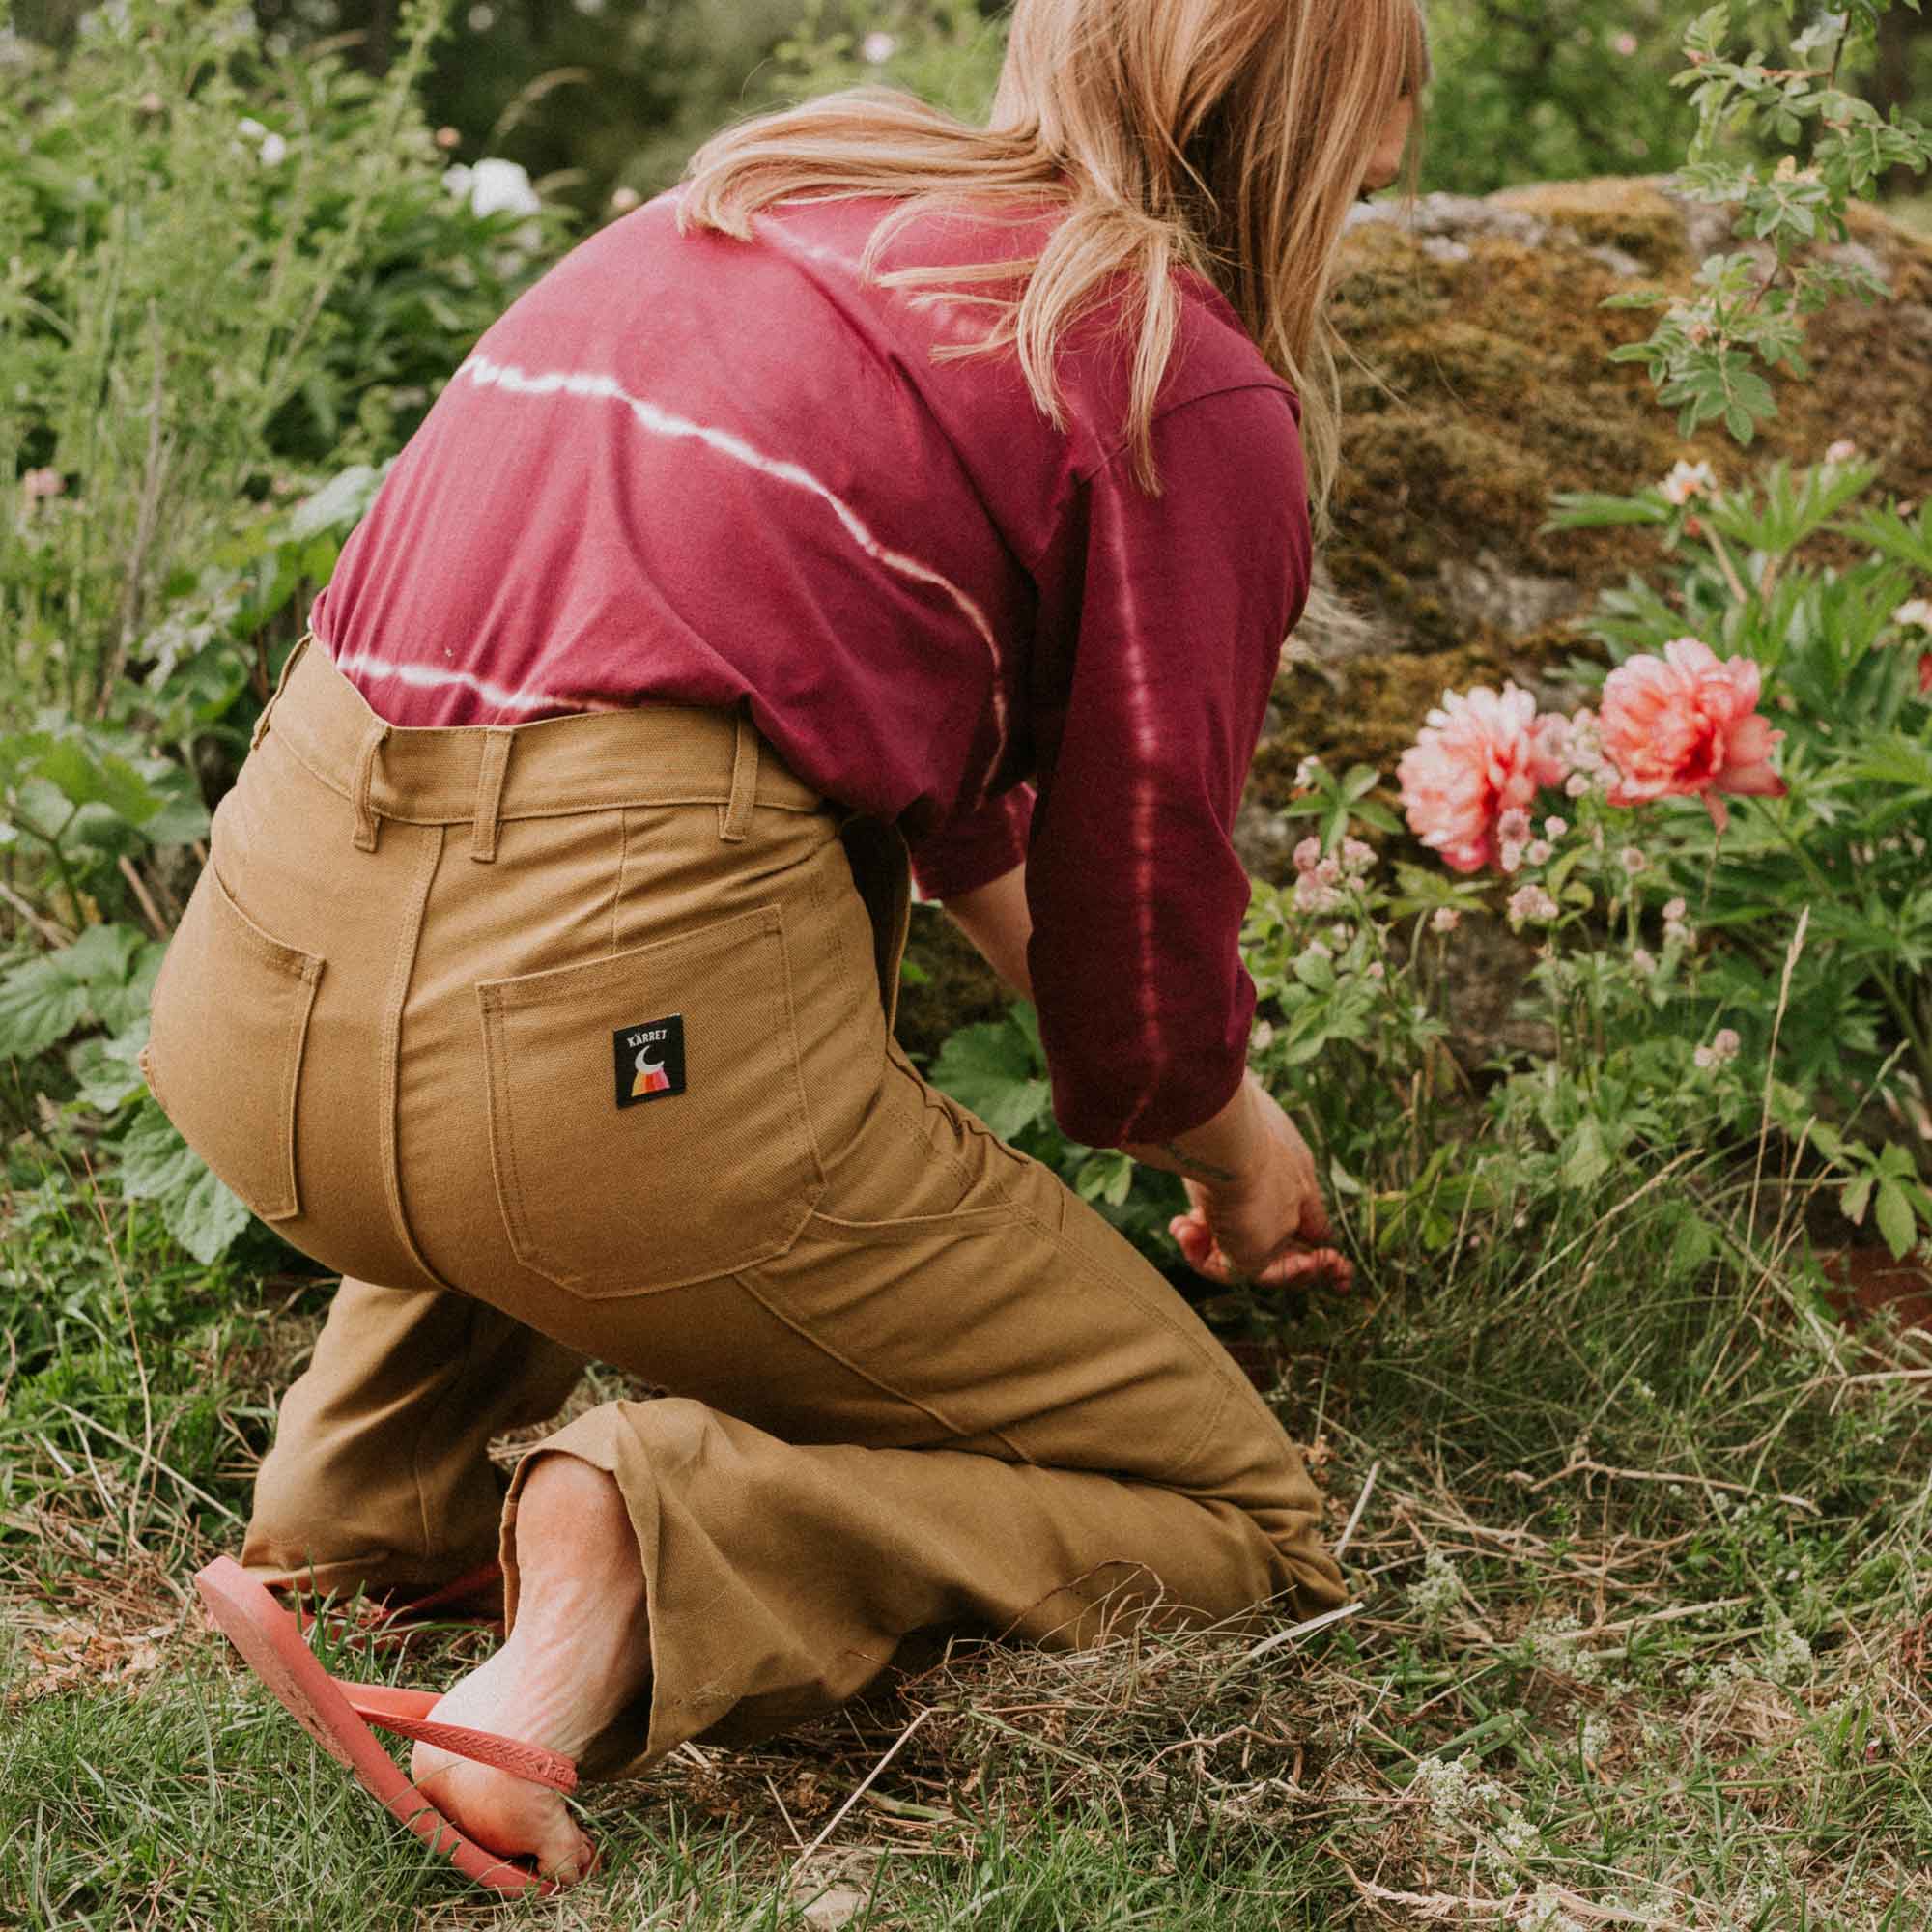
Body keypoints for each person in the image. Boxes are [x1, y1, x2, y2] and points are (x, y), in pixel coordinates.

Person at [146, 0, 1427, 1889]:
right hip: (600, 1065)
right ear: (1305, 112)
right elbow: (1137, 987)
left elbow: (950, 811)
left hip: (257, 998)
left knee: (565, 997)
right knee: (1236, 1512)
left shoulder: (762, 204)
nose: (1395, 164)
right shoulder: (1170, 371)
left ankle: (356, 1509)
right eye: (1397, 107)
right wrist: (1238, 1151)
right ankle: (634, 1538)